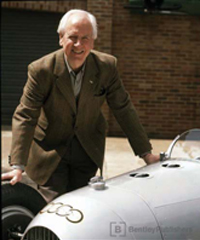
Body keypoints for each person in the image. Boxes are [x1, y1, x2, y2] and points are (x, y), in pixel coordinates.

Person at [2, 9, 159, 202]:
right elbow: (25, 115)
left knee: (83, 207)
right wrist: (18, 165)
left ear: (93, 40)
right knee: (52, 208)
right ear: (61, 38)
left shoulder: (106, 67)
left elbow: (123, 109)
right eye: (73, 37)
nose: (79, 45)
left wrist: (146, 153)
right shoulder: (41, 70)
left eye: (85, 38)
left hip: (87, 150)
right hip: (50, 150)